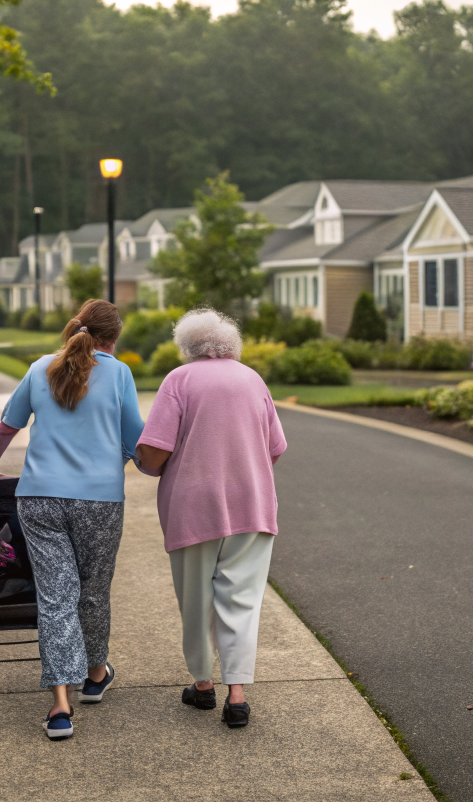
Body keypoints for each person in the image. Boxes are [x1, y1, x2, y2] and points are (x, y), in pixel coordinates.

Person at [0, 299, 142, 742]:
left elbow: (8, 426)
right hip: (99, 501)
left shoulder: (41, 366)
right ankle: (95, 676)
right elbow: (136, 438)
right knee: (93, 590)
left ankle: (61, 707)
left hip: (39, 499)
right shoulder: (118, 373)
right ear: (112, 339)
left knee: (56, 597)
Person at [135, 308, 287, 730]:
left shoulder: (178, 380)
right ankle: (237, 695)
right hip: (252, 503)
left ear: (187, 347)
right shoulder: (252, 379)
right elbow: (275, 446)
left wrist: (137, 457)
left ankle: (203, 685)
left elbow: (156, 452)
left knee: (197, 597)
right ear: (230, 344)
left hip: (193, 504)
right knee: (241, 599)